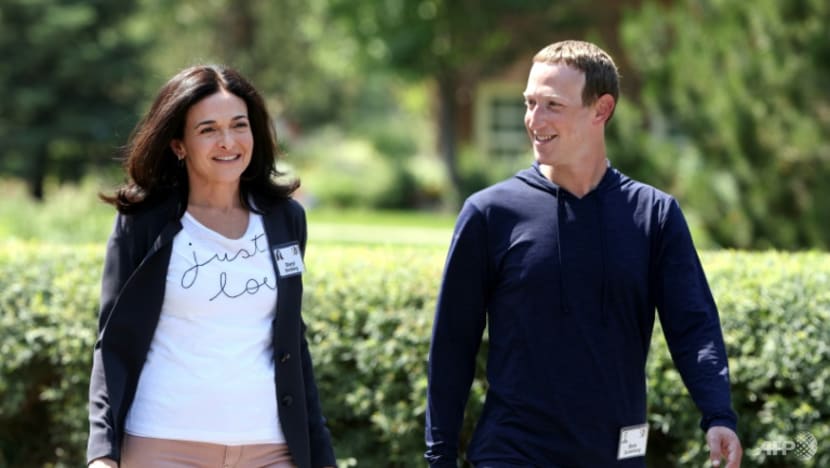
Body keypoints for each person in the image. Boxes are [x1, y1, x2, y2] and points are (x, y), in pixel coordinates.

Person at [424, 40, 743, 467]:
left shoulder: (654, 215)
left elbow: (694, 325)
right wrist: (439, 457)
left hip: (619, 454)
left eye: (553, 105)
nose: (534, 120)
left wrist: (718, 414)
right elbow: (452, 344)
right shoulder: (490, 214)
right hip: (513, 454)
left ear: (601, 110)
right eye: (530, 103)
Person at [86, 65, 336, 468]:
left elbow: (293, 341)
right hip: (163, 445)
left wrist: (321, 455)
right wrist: (102, 452)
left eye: (239, 125)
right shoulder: (144, 222)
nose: (228, 141)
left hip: (272, 449)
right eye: (208, 130)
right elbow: (112, 342)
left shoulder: (285, 219)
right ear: (178, 145)